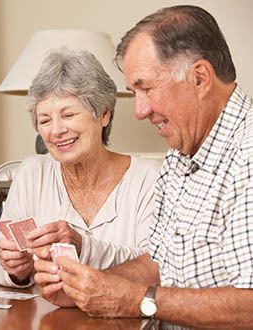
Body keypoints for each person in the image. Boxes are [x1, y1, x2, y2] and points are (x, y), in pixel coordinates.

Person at [34, 5, 253, 328]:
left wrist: (136, 299)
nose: (139, 111)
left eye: (146, 88)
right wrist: (87, 288)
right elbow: (159, 262)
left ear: (200, 78)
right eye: (134, 93)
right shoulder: (179, 155)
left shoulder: (247, 153)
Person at [0, 48, 159, 288]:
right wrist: (17, 271)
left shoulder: (148, 178)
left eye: (68, 115)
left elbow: (157, 266)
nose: (56, 131)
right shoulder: (32, 173)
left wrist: (83, 247)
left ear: (104, 115)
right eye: (45, 120)